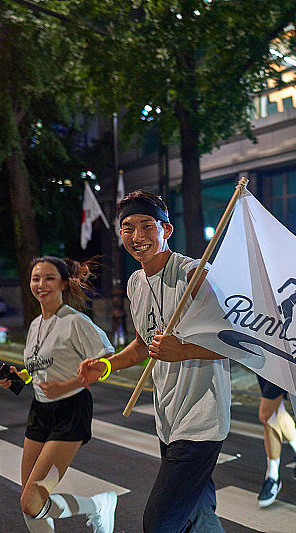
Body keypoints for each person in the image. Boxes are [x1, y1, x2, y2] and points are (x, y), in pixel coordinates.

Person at [78, 190, 230, 533]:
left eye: (147, 225)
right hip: (169, 418)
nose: (137, 236)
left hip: (202, 421)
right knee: (200, 515)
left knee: (159, 523)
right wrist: (106, 365)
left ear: (167, 230)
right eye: (128, 227)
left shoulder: (194, 275)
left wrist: (186, 350)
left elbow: (239, 342)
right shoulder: (135, 282)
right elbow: (143, 344)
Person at [0, 256, 117, 533]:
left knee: (32, 501)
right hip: (40, 412)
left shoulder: (75, 322)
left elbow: (107, 363)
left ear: (63, 283)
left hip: (70, 412)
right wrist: (19, 378)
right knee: (30, 500)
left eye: (49, 278)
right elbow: (39, 367)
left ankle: (98, 505)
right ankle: (97, 506)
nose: (41, 284)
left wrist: (68, 385)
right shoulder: (36, 323)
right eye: (36, 278)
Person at [256, 376, 296, 507]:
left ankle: (272, 477)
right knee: (278, 410)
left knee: (266, 414)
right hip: (265, 361)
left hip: (282, 362)